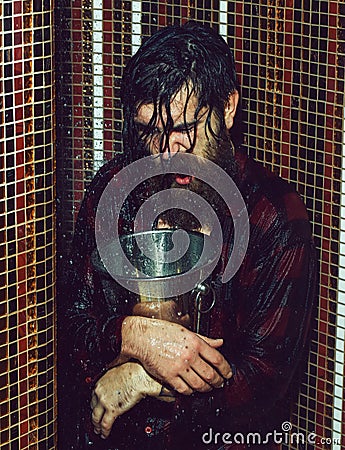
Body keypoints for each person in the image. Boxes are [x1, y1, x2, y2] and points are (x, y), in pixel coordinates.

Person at [60, 21, 317, 450]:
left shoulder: (273, 218)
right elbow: (66, 323)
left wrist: (143, 374)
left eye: (184, 127)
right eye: (150, 130)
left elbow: (262, 386)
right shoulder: (115, 188)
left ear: (228, 108)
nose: (167, 150)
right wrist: (132, 336)